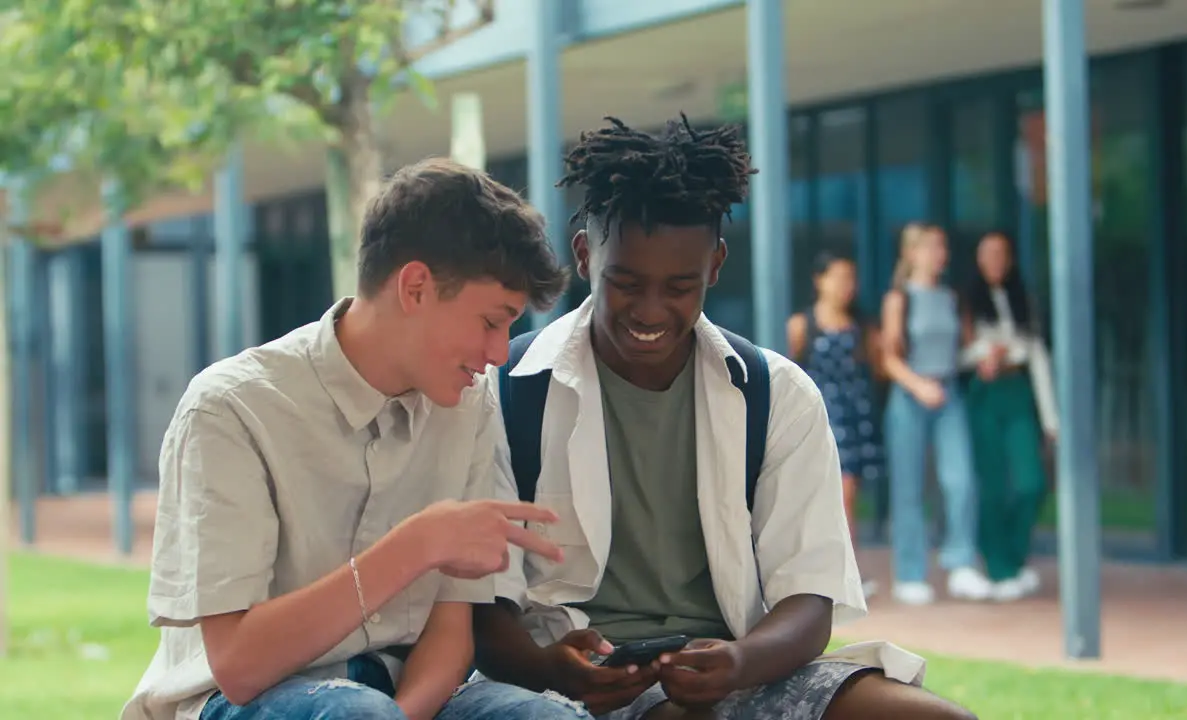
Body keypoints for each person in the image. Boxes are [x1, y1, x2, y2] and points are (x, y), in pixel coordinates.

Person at [457, 115, 975, 719]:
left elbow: (811, 599)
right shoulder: (507, 392)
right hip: (570, 689)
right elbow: (479, 609)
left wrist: (738, 662)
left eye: (680, 286)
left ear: (716, 265)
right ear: (583, 256)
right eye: (625, 282)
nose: (650, 311)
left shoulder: (777, 394)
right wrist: (549, 668)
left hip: (741, 672)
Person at [122, 157, 590, 720]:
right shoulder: (230, 407)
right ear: (415, 287)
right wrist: (419, 544)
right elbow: (239, 666)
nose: (498, 353)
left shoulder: (469, 401)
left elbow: (450, 638)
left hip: (407, 693)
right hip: (244, 699)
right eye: (491, 322)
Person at [880, 223, 992, 606]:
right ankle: (910, 574)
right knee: (908, 489)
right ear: (911, 253)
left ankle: (961, 563)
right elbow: (889, 359)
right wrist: (918, 386)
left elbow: (966, 347)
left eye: (942, 246)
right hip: (911, 397)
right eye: (930, 247)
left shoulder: (951, 297)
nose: (938, 254)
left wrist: (986, 355)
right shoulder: (899, 299)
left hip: (948, 395)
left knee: (960, 480)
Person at [960, 230, 1057, 602]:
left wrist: (1050, 419)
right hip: (985, 392)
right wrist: (984, 353)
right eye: (987, 254)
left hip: (1018, 391)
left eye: (1000, 253)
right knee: (993, 483)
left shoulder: (1024, 302)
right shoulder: (966, 302)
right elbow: (957, 353)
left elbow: (1038, 360)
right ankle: (1000, 568)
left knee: (1031, 482)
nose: (994, 261)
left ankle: (1015, 559)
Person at [787, 252, 885, 597]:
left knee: (847, 495)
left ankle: (846, 573)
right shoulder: (802, 325)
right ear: (820, 280)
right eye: (838, 277)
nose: (846, 287)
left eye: (850, 278)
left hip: (855, 415)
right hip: (822, 417)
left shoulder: (863, 327)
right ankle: (835, 574)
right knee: (832, 495)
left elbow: (878, 367)